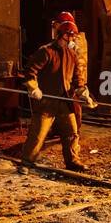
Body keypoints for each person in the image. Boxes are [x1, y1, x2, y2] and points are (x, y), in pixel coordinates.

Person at [18, 13, 96, 171]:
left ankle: (73, 162)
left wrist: (83, 93)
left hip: (65, 102)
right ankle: (26, 163)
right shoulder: (46, 52)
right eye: (71, 36)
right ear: (63, 35)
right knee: (38, 135)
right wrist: (34, 87)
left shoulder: (72, 55)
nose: (73, 40)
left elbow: (77, 80)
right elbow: (29, 72)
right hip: (46, 103)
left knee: (71, 133)